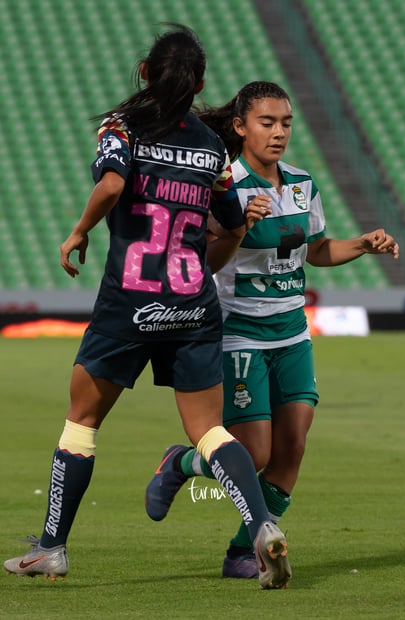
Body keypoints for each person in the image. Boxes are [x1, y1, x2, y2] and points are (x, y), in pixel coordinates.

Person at [3, 33, 292, 590]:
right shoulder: (214, 149)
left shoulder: (121, 127)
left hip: (129, 303)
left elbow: (112, 184)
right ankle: (261, 528)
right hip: (193, 305)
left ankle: (52, 548)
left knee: (81, 422)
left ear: (143, 70)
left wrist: (78, 231)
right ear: (201, 85)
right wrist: (205, 261)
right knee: (208, 429)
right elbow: (231, 229)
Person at [145, 80, 399, 581]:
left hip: (292, 334)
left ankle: (244, 551)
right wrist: (236, 227)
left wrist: (363, 244)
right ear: (240, 127)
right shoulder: (223, 187)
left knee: (293, 448)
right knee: (255, 452)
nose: (279, 132)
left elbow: (318, 250)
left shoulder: (302, 183)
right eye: (267, 122)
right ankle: (180, 464)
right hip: (238, 332)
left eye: (285, 123)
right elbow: (200, 259)